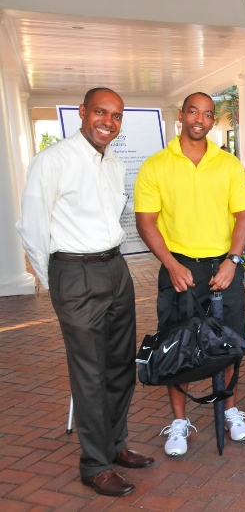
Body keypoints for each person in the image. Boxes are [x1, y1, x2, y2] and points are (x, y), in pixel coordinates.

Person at [16, 88, 153, 497]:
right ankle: (94, 465)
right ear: (82, 113)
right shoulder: (52, 161)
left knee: (120, 366)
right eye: (100, 112)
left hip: (115, 268)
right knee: (90, 373)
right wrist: (58, 279)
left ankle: (115, 445)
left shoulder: (112, 164)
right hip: (74, 272)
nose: (107, 122)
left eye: (115, 116)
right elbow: (34, 230)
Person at [134, 92, 245, 455]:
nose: (199, 119)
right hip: (179, 270)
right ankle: (178, 422)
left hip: (224, 269)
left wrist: (234, 260)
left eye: (206, 114)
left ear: (213, 121)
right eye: (192, 112)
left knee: (232, 343)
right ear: (181, 116)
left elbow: (244, 216)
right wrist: (171, 265)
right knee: (175, 346)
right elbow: (146, 222)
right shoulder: (156, 165)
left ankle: (230, 410)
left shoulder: (229, 164)